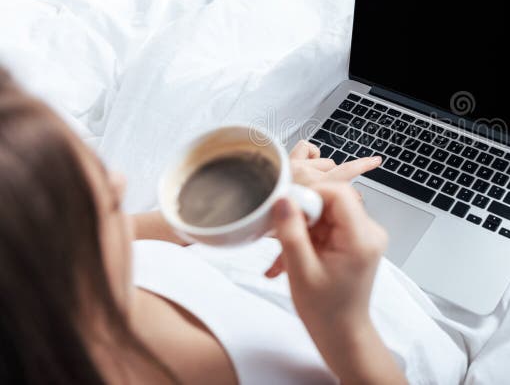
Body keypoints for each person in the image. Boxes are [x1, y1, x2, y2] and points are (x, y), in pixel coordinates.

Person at [0, 68, 408, 384]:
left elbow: (124, 229)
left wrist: (246, 210)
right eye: (96, 208)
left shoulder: (71, 273)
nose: (118, 183)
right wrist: (346, 329)